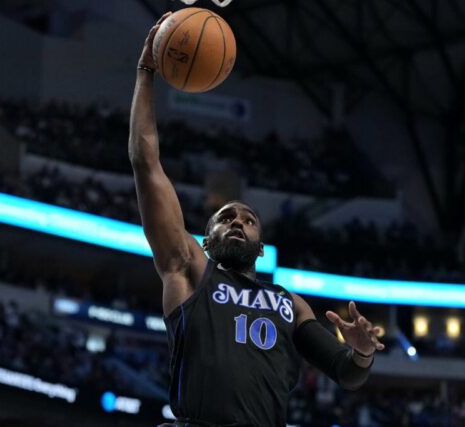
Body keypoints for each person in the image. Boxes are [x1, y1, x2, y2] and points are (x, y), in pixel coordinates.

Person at [129, 13, 385, 427]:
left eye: (248, 219)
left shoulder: (290, 303)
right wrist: (145, 72)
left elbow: (347, 373)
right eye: (225, 217)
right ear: (206, 240)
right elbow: (146, 162)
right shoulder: (189, 268)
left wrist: (362, 351)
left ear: (260, 247)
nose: (237, 220)